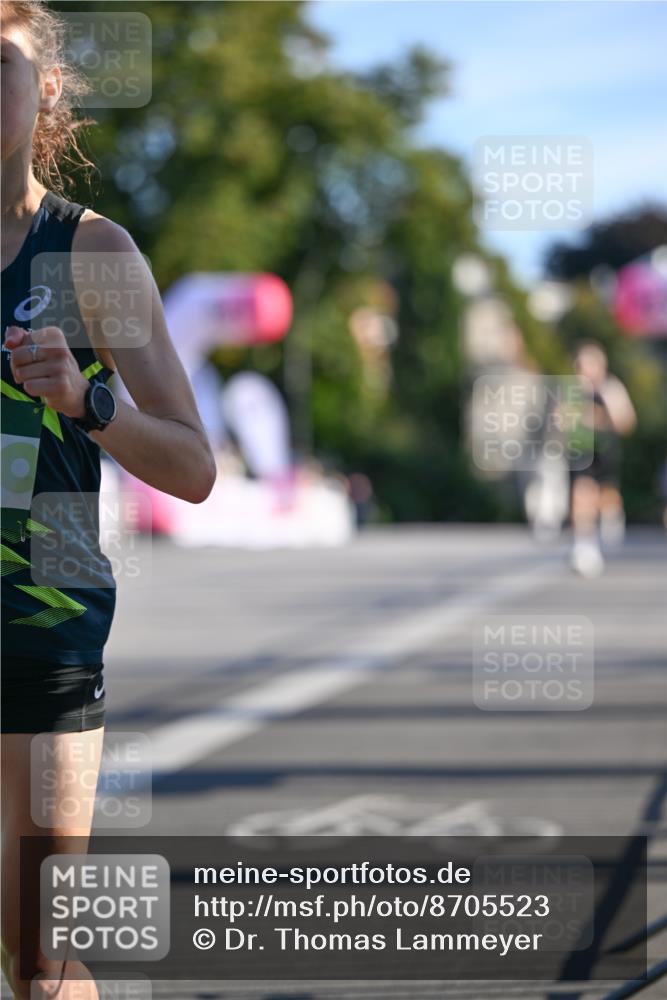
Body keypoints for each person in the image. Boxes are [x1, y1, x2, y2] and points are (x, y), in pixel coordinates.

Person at [1, 2, 216, 996]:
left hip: (42, 635)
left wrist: (89, 402)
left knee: (40, 965)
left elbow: (193, 466)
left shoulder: (92, 254)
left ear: (45, 88)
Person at [567, 342, 636, 577]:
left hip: (606, 451)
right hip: (582, 451)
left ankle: (611, 517)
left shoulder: (611, 388)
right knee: (581, 493)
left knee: (607, 497)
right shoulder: (573, 390)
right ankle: (584, 547)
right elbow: (561, 420)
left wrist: (603, 417)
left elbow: (626, 422)